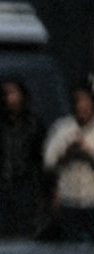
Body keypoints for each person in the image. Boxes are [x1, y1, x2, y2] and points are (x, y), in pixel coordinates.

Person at [0, 80, 46, 241]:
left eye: (13, 93)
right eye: (5, 94)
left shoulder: (34, 124)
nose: (9, 98)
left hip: (24, 187)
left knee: (23, 233)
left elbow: (40, 160)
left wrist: (41, 192)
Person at [43, 83, 94, 242]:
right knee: (69, 251)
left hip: (92, 199)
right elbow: (48, 163)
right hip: (68, 200)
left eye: (86, 102)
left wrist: (88, 153)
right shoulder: (62, 128)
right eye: (78, 102)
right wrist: (67, 154)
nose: (82, 106)